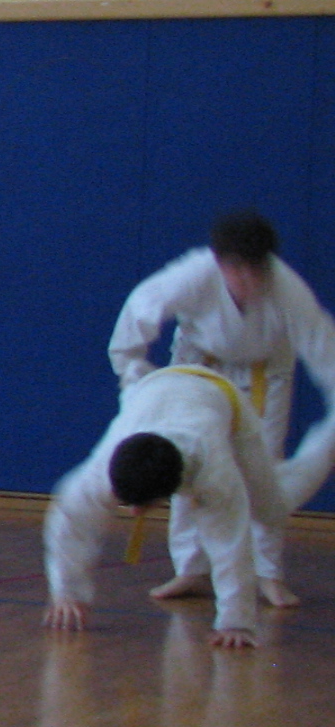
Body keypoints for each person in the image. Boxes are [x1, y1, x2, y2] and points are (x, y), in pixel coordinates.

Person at [109, 210, 335, 610]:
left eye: (255, 270)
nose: (247, 280)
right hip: (199, 365)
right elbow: (138, 312)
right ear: (220, 262)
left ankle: (268, 572)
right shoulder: (194, 274)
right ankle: (191, 569)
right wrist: (133, 380)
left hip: (264, 374)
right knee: (182, 459)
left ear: (266, 264)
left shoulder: (288, 289)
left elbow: (323, 349)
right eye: (237, 270)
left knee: (264, 471)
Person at [43, 365, 299, 649]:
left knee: (267, 506)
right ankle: (193, 574)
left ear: (170, 492)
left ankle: (270, 575)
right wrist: (68, 592)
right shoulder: (105, 468)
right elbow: (70, 522)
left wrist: (235, 621)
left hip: (223, 396)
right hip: (155, 388)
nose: (134, 513)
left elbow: (230, 542)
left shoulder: (215, 473)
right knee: (81, 506)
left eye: (142, 505)